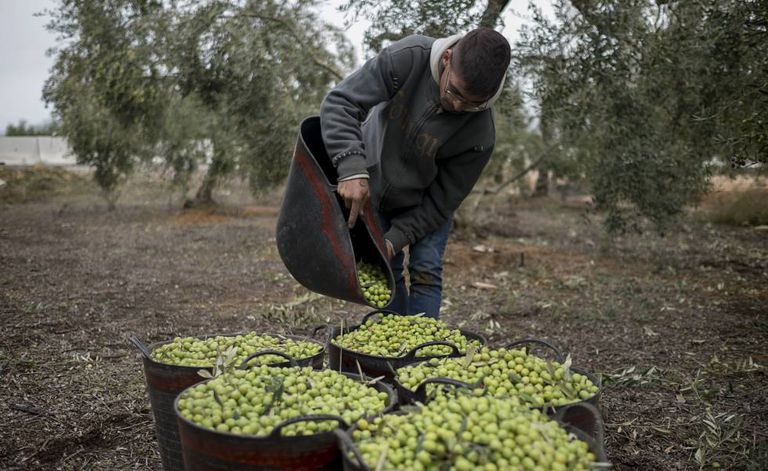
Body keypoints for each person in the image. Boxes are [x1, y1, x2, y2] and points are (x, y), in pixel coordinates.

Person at [320, 28, 511, 318]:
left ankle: (423, 354)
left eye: (473, 103)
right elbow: (341, 103)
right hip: (375, 185)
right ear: (447, 58)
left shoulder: (481, 133)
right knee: (385, 273)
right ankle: (390, 355)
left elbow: (441, 202)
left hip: (426, 204)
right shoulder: (408, 58)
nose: (458, 106)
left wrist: (395, 239)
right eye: (455, 92)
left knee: (426, 272)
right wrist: (351, 168)